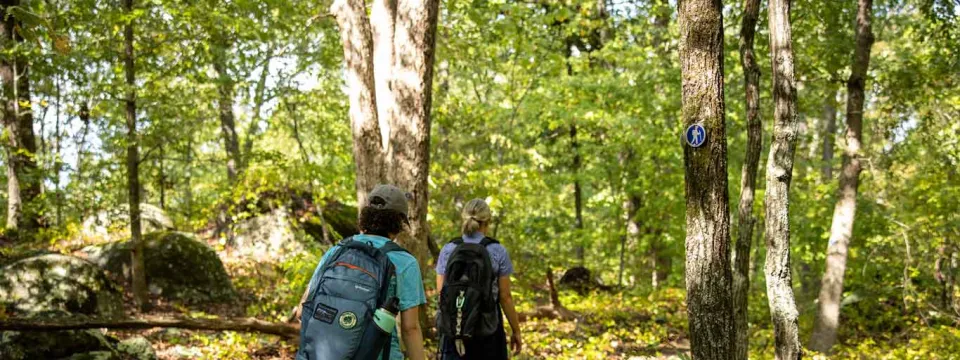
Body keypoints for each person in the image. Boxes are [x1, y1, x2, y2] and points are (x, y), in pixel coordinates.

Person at [297, 184, 427, 360]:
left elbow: (302, 309)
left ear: (366, 216)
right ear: (398, 223)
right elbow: (410, 329)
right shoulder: (405, 262)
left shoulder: (338, 251)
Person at [435, 199, 522, 359]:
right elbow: (505, 297)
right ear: (487, 222)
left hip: (454, 329)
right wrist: (516, 331)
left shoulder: (448, 249)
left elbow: (442, 293)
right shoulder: (497, 251)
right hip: (488, 329)